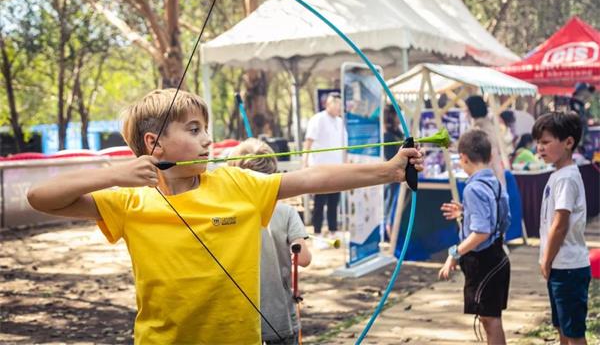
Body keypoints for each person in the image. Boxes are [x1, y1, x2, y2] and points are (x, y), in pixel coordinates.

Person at [26, 88, 423, 345]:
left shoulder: (236, 183)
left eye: (206, 129)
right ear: (155, 142)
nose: (207, 140)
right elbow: (39, 197)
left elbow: (310, 178)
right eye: (194, 129)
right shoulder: (130, 202)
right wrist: (114, 174)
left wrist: (388, 171)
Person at [228, 138, 311, 345]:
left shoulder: (227, 213)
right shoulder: (286, 211)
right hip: (279, 316)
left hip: (239, 319)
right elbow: (304, 259)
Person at [439, 129, 511, 345]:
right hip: (498, 256)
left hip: (484, 263)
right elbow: (502, 220)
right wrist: (465, 213)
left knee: (490, 320)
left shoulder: (473, 189)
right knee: (490, 318)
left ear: (463, 158)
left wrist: (454, 253)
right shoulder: (495, 182)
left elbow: (481, 232)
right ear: (489, 157)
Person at [532, 112, 590, 345]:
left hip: (568, 267)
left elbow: (560, 224)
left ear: (568, 142)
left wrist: (546, 259)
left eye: (546, 142)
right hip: (560, 267)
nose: (540, 148)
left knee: (574, 332)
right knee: (562, 326)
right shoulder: (559, 175)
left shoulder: (566, 178)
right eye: (538, 142)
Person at [303, 93, 346, 239]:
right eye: (336, 103)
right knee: (319, 202)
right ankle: (317, 232)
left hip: (337, 168)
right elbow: (308, 142)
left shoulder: (340, 122)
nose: (339, 107)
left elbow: (344, 146)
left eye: (340, 104)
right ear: (328, 104)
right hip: (319, 168)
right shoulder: (318, 119)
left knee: (334, 201)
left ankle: (333, 230)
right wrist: (305, 163)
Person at [465, 95, 506, 187]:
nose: (465, 113)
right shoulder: (487, 125)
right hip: (494, 175)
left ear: (472, 110)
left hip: (488, 178)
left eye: (467, 110)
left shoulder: (480, 129)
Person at [383, 104, 404, 240]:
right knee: (390, 205)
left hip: (400, 176)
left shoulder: (399, 133)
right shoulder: (388, 136)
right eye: (398, 114)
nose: (400, 118)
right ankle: (389, 233)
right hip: (392, 178)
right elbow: (390, 157)